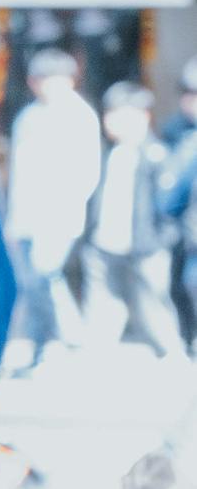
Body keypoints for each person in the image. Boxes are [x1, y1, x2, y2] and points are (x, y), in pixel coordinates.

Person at [2, 46, 100, 372]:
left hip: (58, 216)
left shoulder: (80, 116)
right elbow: (18, 175)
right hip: (27, 218)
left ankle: (60, 341)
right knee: (35, 282)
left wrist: (64, 210)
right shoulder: (27, 118)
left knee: (43, 278)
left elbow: (86, 175)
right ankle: (58, 342)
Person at [84, 81, 181, 357]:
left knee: (153, 306)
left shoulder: (156, 155)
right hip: (105, 242)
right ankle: (97, 356)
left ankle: (171, 354)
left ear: (142, 115)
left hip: (145, 246)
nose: (110, 121)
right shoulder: (108, 152)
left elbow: (171, 207)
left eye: (119, 113)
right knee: (103, 306)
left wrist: (159, 241)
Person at [158, 60, 197, 348]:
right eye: (188, 93)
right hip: (185, 231)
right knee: (183, 285)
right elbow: (172, 194)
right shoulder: (175, 132)